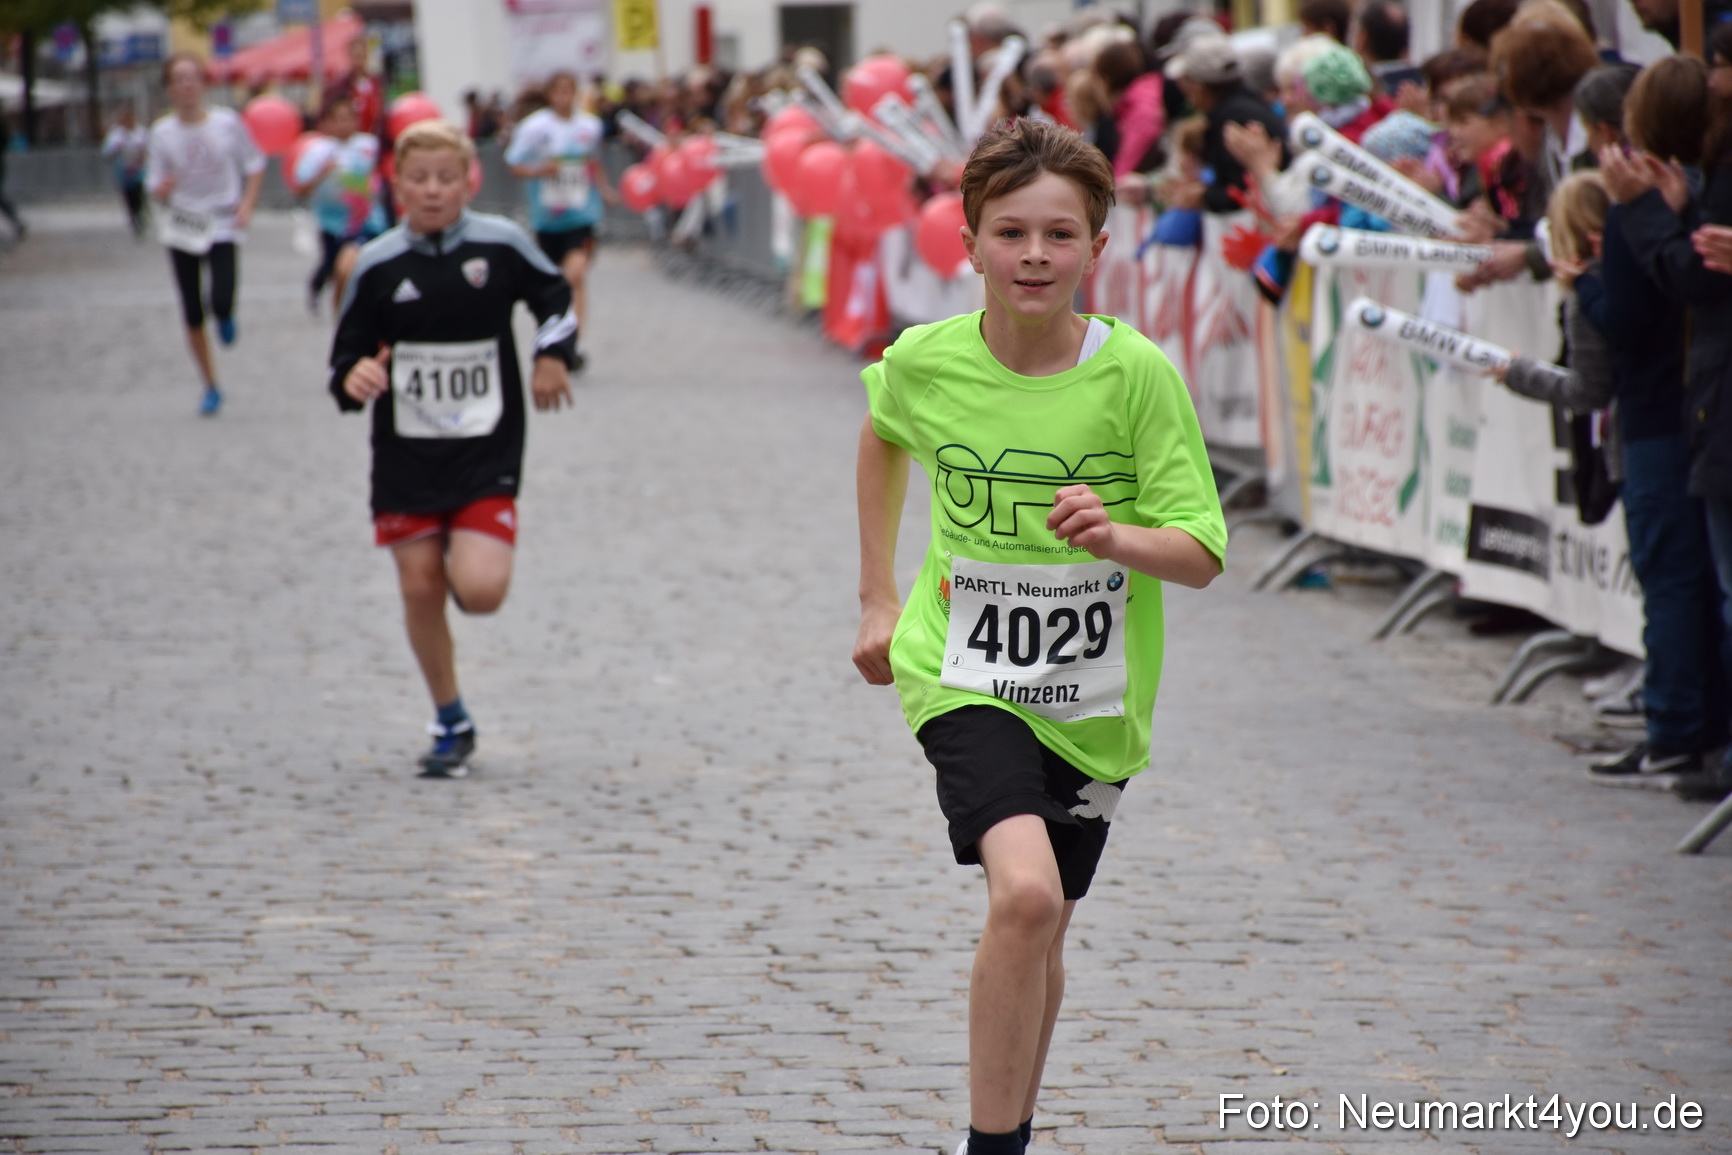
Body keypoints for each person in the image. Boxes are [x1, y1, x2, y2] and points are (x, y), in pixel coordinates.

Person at [852, 119, 1225, 1155]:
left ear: (1096, 250)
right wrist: (879, 597)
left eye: (1059, 235)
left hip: (1092, 697)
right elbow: (882, 434)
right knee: (1022, 894)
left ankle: (1009, 1127)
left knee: (1047, 913)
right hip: (960, 669)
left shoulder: (1136, 376)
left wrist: (1118, 535)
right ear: (966, 241)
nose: (1032, 255)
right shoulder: (924, 360)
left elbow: (1199, 553)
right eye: (1008, 231)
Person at [327, 119, 578, 779]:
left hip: (484, 449)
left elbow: (557, 299)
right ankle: (450, 717)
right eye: (419, 179)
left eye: (446, 178)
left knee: (482, 589)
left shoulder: (503, 244)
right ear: (397, 185)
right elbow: (345, 355)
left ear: (469, 179)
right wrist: (353, 377)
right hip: (406, 454)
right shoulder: (376, 263)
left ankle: (464, 564)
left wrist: (553, 355)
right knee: (419, 584)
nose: (433, 191)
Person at [1603, 32, 1732, 802]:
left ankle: (1684, 729)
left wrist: (1645, 219)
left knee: (1691, 581)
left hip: (1679, 408)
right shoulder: (1690, 192)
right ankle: (1689, 728)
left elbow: (1660, 295)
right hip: (1690, 407)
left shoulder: (1651, 198)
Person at [146, 53, 265, 416]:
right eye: (179, 79)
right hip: (183, 223)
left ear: (204, 84)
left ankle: (226, 315)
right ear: (169, 88)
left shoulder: (227, 123)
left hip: (222, 219)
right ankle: (210, 384)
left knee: (222, 298)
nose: (186, 86)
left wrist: (246, 204)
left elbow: (255, 163)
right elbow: (153, 182)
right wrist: (162, 188)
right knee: (192, 309)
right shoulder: (161, 133)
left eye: (193, 78)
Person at [505, 71, 616, 372]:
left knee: (575, 276)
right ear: (550, 95)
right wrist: (541, 171)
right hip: (547, 218)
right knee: (555, 282)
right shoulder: (535, 128)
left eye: (570, 91)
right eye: (558, 92)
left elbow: (594, 161)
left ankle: (575, 343)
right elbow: (514, 164)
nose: (564, 98)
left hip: (582, 214)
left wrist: (604, 188)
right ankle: (556, 333)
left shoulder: (589, 126)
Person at [297, 94, 386, 317]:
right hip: (332, 225)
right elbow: (300, 187)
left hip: (369, 222)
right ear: (327, 123)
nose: (344, 124)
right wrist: (322, 173)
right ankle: (339, 314)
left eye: (349, 118)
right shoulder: (318, 150)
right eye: (338, 119)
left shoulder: (370, 146)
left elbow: (387, 173)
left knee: (363, 269)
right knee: (334, 269)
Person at [101, 105, 149, 238]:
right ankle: (134, 219)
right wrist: (116, 148)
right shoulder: (116, 135)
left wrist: (142, 156)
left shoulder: (140, 132)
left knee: (138, 193)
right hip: (123, 170)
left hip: (138, 170)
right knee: (129, 197)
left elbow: (148, 150)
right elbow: (106, 153)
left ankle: (142, 214)